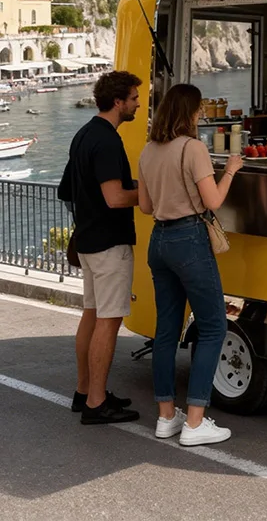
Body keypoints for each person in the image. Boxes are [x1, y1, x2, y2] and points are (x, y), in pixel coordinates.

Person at [137, 83, 243, 446]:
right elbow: (212, 199)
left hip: (159, 241)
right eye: (198, 110)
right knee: (213, 328)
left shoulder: (148, 150)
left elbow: (146, 207)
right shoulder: (193, 148)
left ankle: (167, 417)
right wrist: (230, 169)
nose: (200, 116)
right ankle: (196, 423)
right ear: (190, 113)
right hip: (189, 240)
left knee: (166, 331)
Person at [58, 70, 142, 425]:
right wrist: (149, 192)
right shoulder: (108, 141)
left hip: (89, 241)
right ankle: (96, 403)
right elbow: (116, 197)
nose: (139, 103)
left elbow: (66, 190)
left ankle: (84, 391)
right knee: (108, 321)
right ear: (119, 101)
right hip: (110, 245)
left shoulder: (83, 134)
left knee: (91, 317)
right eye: (135, 98)